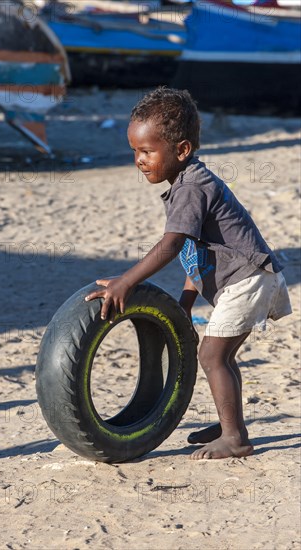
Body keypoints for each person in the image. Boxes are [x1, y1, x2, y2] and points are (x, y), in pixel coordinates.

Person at [85, 87, 292, 459]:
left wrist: (127, 280)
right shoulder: (186, 183)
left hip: (249, 280)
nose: (139, 160)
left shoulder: (192, 187)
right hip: (251, 277)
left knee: (213, 356)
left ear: (181, 150)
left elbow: (173, 243)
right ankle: (231, 422)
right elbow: (195, 252)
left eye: (147, 151)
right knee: (221, 357)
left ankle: (236, 438)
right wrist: (185, 301)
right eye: (135, 151)